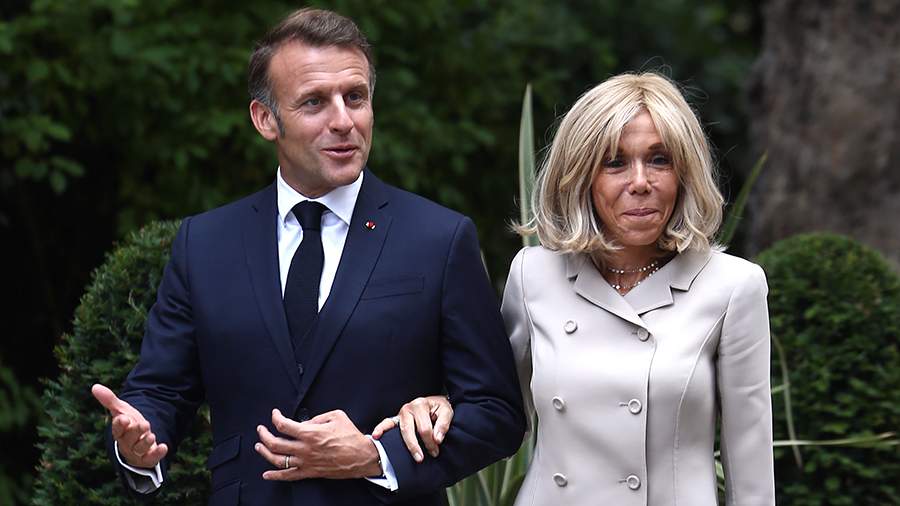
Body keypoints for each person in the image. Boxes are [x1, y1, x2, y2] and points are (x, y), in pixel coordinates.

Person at [90, 8, 525, 505]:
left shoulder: (439, 238)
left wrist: (376, 457)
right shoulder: (204, 244)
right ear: (265, 119)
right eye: (315, 102)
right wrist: (138, 444)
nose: (343, 121)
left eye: (355, 97)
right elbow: (160, 392)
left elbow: (496, 412)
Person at [381, 72, 776, 505]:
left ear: (685, 173)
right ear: (581, 176)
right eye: (615, 163)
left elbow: (751, 472)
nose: (640, 181)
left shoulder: (733, 286)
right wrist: (439, 407)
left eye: (659, 159)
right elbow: (495, 410)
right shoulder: (533, 275)